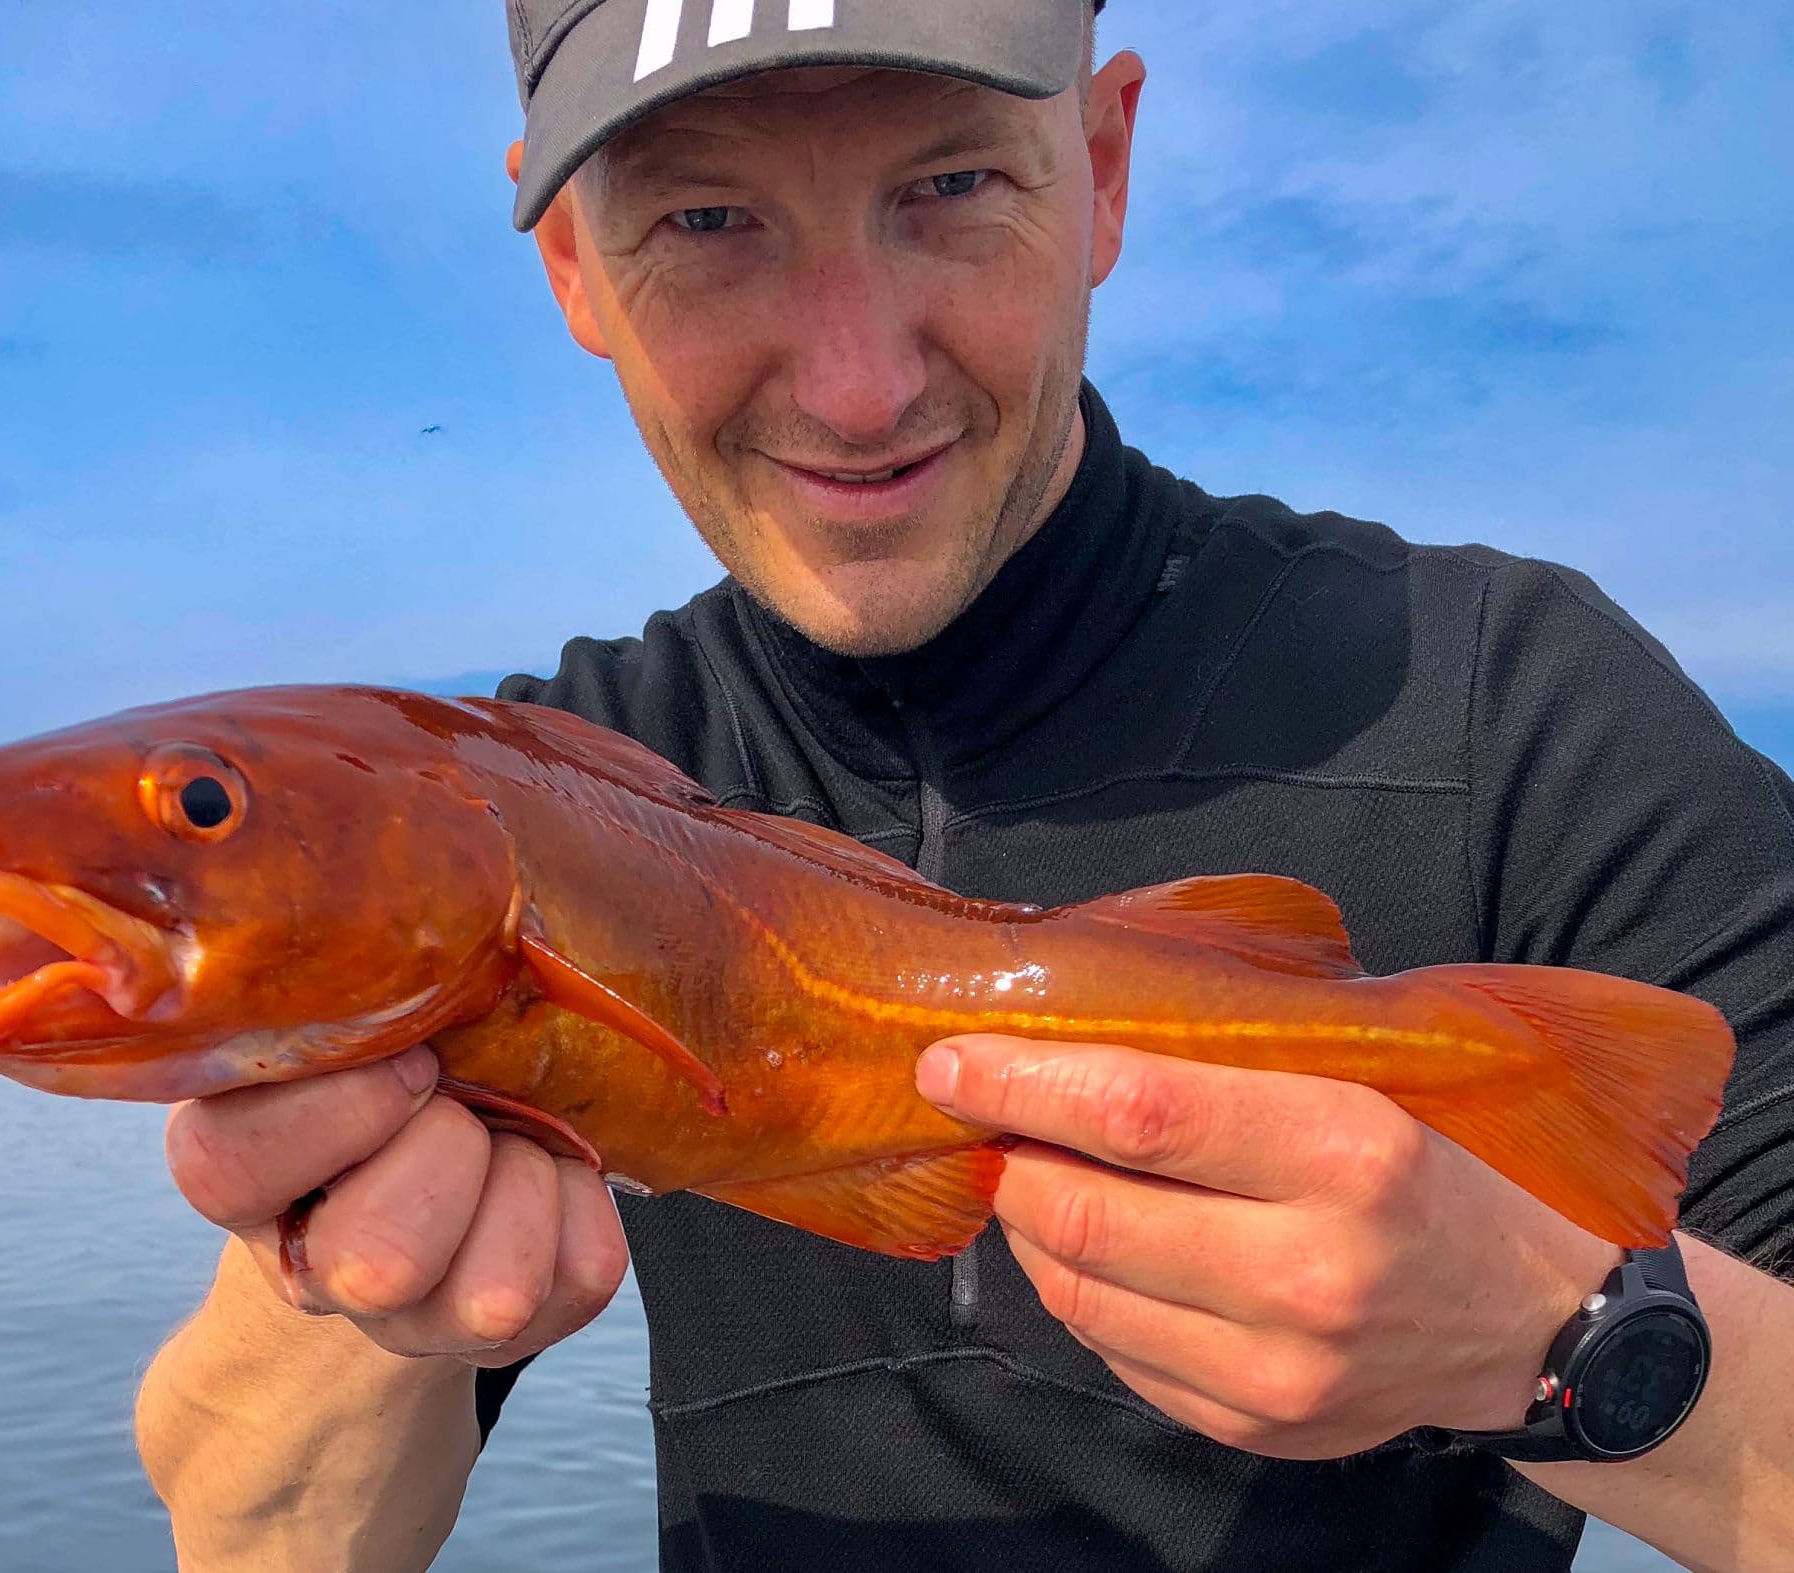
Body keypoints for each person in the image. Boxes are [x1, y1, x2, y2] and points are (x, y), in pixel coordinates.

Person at [133, 3, 1794, 1569]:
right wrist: (347, 1275)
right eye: (709, 224)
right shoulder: (540, 796)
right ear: (573, 256)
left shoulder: (1518, 705)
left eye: (951, 185)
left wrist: (1562, 1338)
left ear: (1109, 169)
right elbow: (251, 1532)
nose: (856, 388)